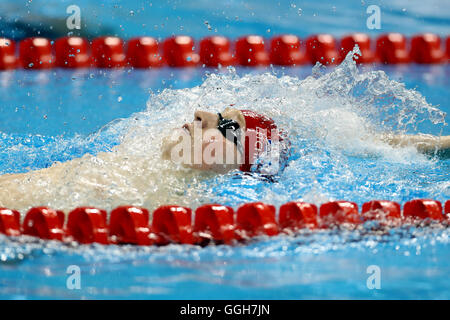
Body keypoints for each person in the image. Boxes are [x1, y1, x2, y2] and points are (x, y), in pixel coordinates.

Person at [0, 107, 449, 213]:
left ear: (227, 163)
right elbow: (357, 138)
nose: (199, 114)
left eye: (223, 125)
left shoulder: (162, 201)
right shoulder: (126, 159)